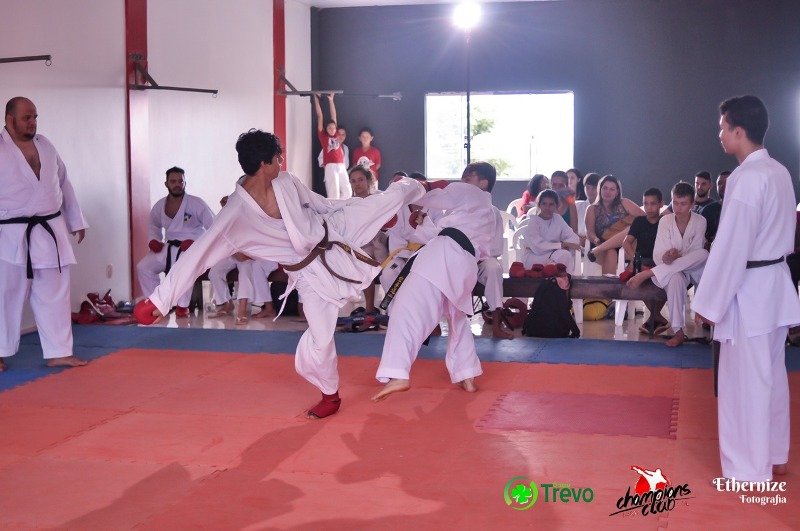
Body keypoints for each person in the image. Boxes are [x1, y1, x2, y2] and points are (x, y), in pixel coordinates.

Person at [135, 130, 425, 419]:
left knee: (383, 200)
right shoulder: (235, 215)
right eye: (278, 158)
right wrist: (159, 300)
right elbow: (197, 256)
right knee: (321, 337)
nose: (281, 162)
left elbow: (321, 204)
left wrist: (360, 210)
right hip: (309, 273)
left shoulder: (285, 181)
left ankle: (423, 187)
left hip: (333, 228)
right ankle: (330, 395)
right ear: (264, 163)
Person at [694, 95, 800, 482]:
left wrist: (708, 303)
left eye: (723, 127)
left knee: (745, 384)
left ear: (739, 131)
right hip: (774, 285)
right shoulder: (779, 171)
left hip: (750, 291)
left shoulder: (746, 178)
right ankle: (774, 455)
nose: (720, 134)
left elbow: (732, 246)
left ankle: (749, 471)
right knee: (770, 377)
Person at [372, 162, 499, 401]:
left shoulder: (471, 193)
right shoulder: (485, 212)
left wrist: (408, 188)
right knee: (457, 319)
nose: (462, 181)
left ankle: (397, 372)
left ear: (483, 183)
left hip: (442, 260)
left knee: (405, 308)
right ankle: (467, 374)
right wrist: (423, 223)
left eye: (468, 178)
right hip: (462, 265)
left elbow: (437, 195)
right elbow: (443, 236)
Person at [1, 96, 89, 372]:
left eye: (35, 117)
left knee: (55, 294)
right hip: (10, 236)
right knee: (4, 297)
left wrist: (75, 220)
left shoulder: (46, 145)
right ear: (9, 119)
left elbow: (63, 182)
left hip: (51, 232)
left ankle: (59, 351)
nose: (33, 122)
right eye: (26, 117)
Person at [626, 183, 707, 346]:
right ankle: (678, 331)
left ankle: (650, 273)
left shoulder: (700, 221)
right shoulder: (665, 221)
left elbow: (696, 252)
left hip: (693, 270)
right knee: (675, 278)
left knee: (704, 254)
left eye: (683, 204)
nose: (678, 208)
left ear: (692, 204)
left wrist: (678, 255)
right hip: (670, 270)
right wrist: (667, 257)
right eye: (675, 203)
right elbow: (659, 254)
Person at [136, 167, 215, 317]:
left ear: (185, 183)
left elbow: (214, 226)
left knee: (182, 266)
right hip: (169, 245)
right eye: (173, 181)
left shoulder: (197, 203)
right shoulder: (160, 205)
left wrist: (197, 244)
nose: (177, 184)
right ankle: (155, 302)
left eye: (180, 181)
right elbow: (153, 225)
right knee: (143, 267)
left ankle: (182, 306)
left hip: (192, 248)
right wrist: (154, 240)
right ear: (166, 184)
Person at [621, 187, 667, 333]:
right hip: (642, 262)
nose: (649, 207)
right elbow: (626, 242)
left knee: (665, 277)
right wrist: (636, 258)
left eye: (653, 203)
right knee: (635, 277)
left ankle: (654, 317)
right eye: (646, 203)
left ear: (661, 204)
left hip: (660, 262)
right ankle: (657, 317)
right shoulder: (639, 221)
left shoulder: (666, 221)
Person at [348, 165, 389, 316]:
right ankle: (369, 309)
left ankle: (392, 307)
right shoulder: (348, 204)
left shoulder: (379, 199)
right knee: (364, 267)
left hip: (380, 240)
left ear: (368, 181)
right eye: (353, 181)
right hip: (360, 244)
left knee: (389, 271)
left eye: (360, 180)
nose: (357, 184)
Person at [585, 175, 644, 274]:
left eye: (612, 189)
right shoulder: (592, 209)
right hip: (599, 244)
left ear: (617, 192)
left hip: (625, 245)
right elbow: (589, 232)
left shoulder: (624, 202)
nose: (607, 192)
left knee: (632, 228)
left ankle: (599, 249)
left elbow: (645, 219)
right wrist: (596, 240)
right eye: (605, 188)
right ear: (600, 189)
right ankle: (609, 284)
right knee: (610, 251)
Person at [518, 190, 581, 274]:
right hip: (535, 257)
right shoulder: (534, 221)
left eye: (551, 204)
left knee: (565, 255)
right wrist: (562, 245)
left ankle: (559, 279)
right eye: (544, 204)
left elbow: (573, 237)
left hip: (553, 254)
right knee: (562, 257)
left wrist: (567, 245)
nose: (547, 208)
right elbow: (538, 247)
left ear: (557, 206)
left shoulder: (557, 219)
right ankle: (554, 277)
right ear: (539, 205)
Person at [314, 93, 350, 199]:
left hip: (341, 165)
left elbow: (334, 115)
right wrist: (316, 100)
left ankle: (339, 206)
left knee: (348, 192)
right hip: (330, 166)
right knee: (334, 194)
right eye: (329, 128)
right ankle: (333, 207)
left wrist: (331, 100)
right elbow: (320, 116)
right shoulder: (323, 137)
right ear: (326, 129)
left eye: (334, 128)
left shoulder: (336, 135)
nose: (332, 130)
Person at [693, 171, 721, 249]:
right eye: (697, 183)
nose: (699, 187)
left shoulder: (714, 207)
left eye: (703, 184)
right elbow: (665, 216)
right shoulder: (683, 201)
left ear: (711, 185)